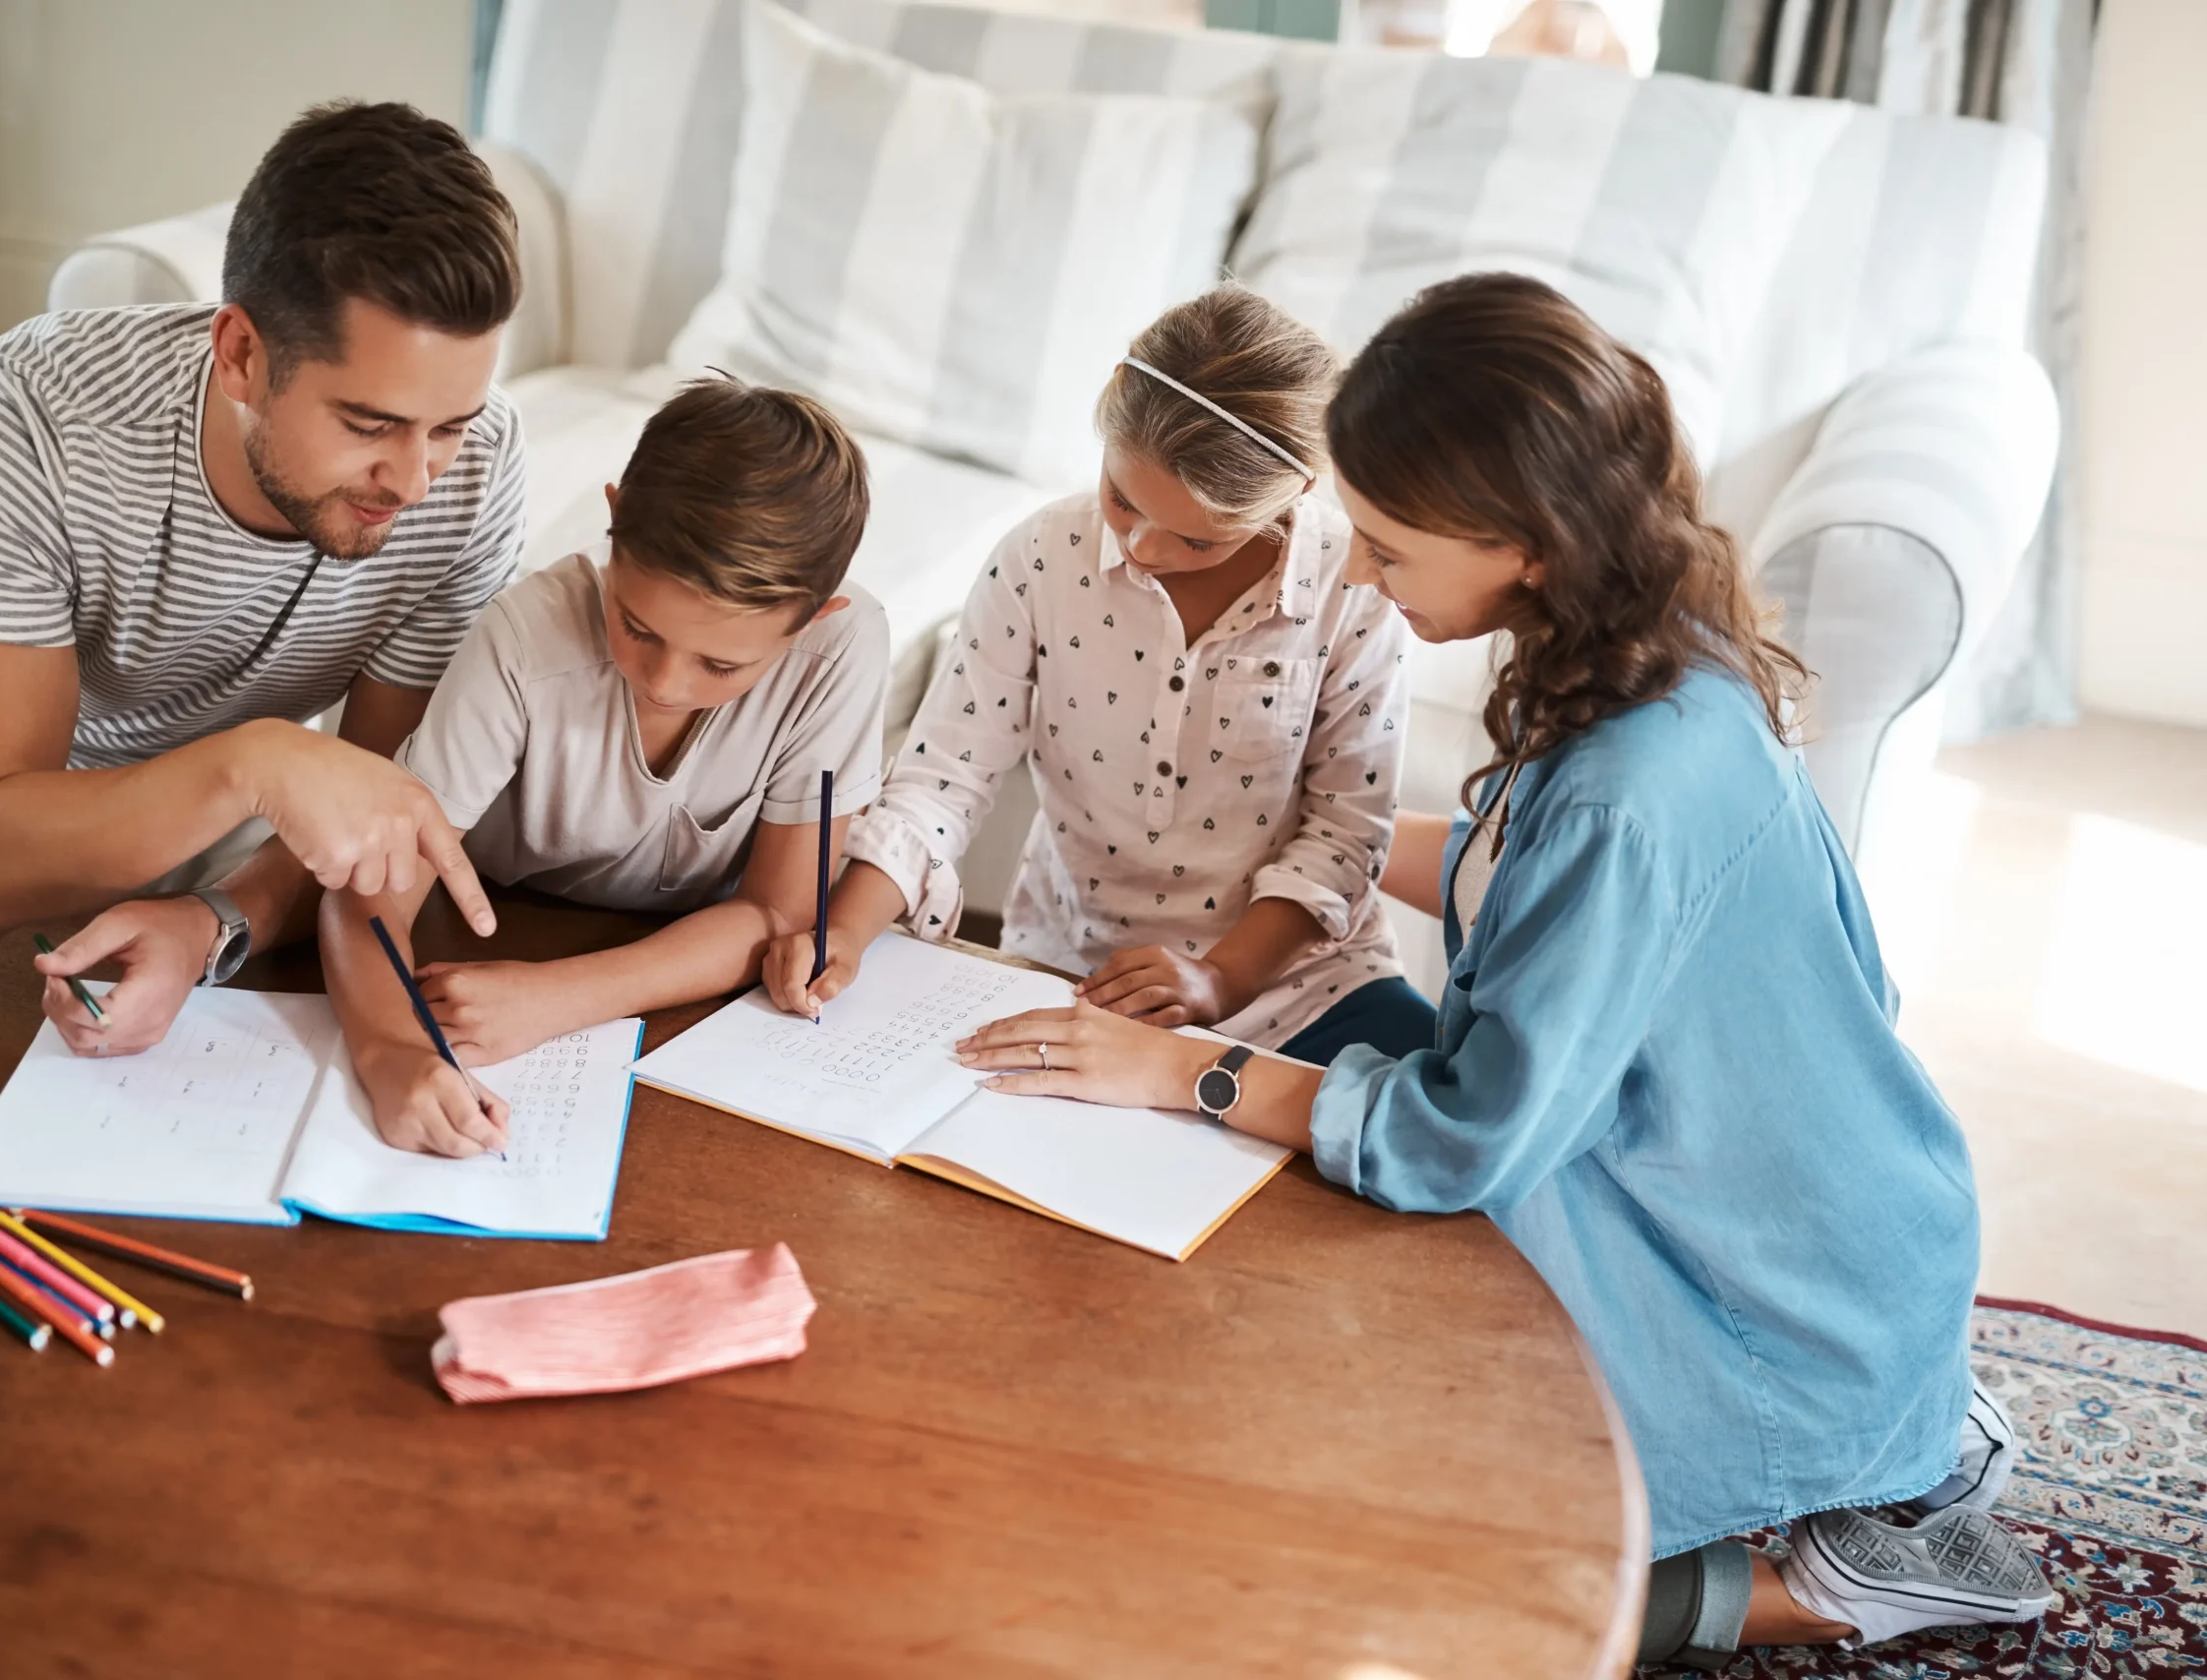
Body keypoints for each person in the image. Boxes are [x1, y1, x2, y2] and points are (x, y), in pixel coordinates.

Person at [951, 273, 2051, 1664]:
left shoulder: (1624, 797)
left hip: (1759, 1297)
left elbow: (1456, 1138)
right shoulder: (1666, 658)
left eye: (1390, 550)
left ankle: (1862, 1574)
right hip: (1849, 1214)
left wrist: (1184, 1070)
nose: (1356, 573)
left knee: (1377, 1561)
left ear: (1525, 545)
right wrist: (1276, 858)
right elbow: (1500, 867)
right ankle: (1912, 1423)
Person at [0, 100, 527, 1055]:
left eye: (448, 425)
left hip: (233, 821)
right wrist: (256, 761)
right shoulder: (31, 415)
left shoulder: (480, 470)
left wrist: (215, 920)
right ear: (242, 352)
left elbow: (370, 807)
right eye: (369, 425)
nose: (415, 482)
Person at [764, 286, 1420, 1060]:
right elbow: (946, 774)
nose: (1142, 548)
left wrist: (1220, 982)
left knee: (1439, 1137)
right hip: (1074, 973)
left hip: (1306, 992)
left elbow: (1345, 832)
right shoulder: (1041, 557)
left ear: (1295, 493)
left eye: (1196, 541)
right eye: (1121, 499)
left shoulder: (1357, 591)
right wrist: (844, 926)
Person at [320, 377, 888, 1157]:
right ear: (614, 518)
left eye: (721, 665)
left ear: (815, 619)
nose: (663, 684)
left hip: (675, 997)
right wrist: (393, 1053)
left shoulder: (843, 649)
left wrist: (561, 998)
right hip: (495, 930)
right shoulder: (524, 637)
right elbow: (368, 900)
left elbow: (784, 916)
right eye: (637, 626)